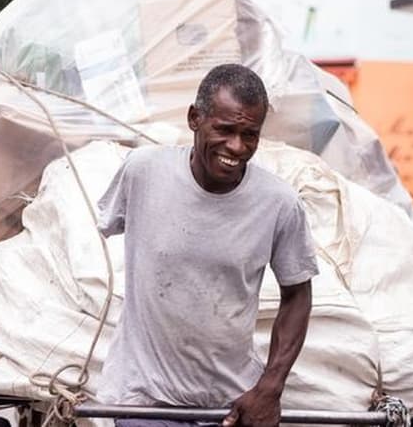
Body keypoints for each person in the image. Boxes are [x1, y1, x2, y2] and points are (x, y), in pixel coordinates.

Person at [96, 64, 318, 427]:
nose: (237, 146)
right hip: (143, 399)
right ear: (194, 118)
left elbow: (297, 295)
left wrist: (270, 388)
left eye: (250, 135)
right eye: (225, 130)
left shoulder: (279, 203)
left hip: (228, 407)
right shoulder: (142, 172)